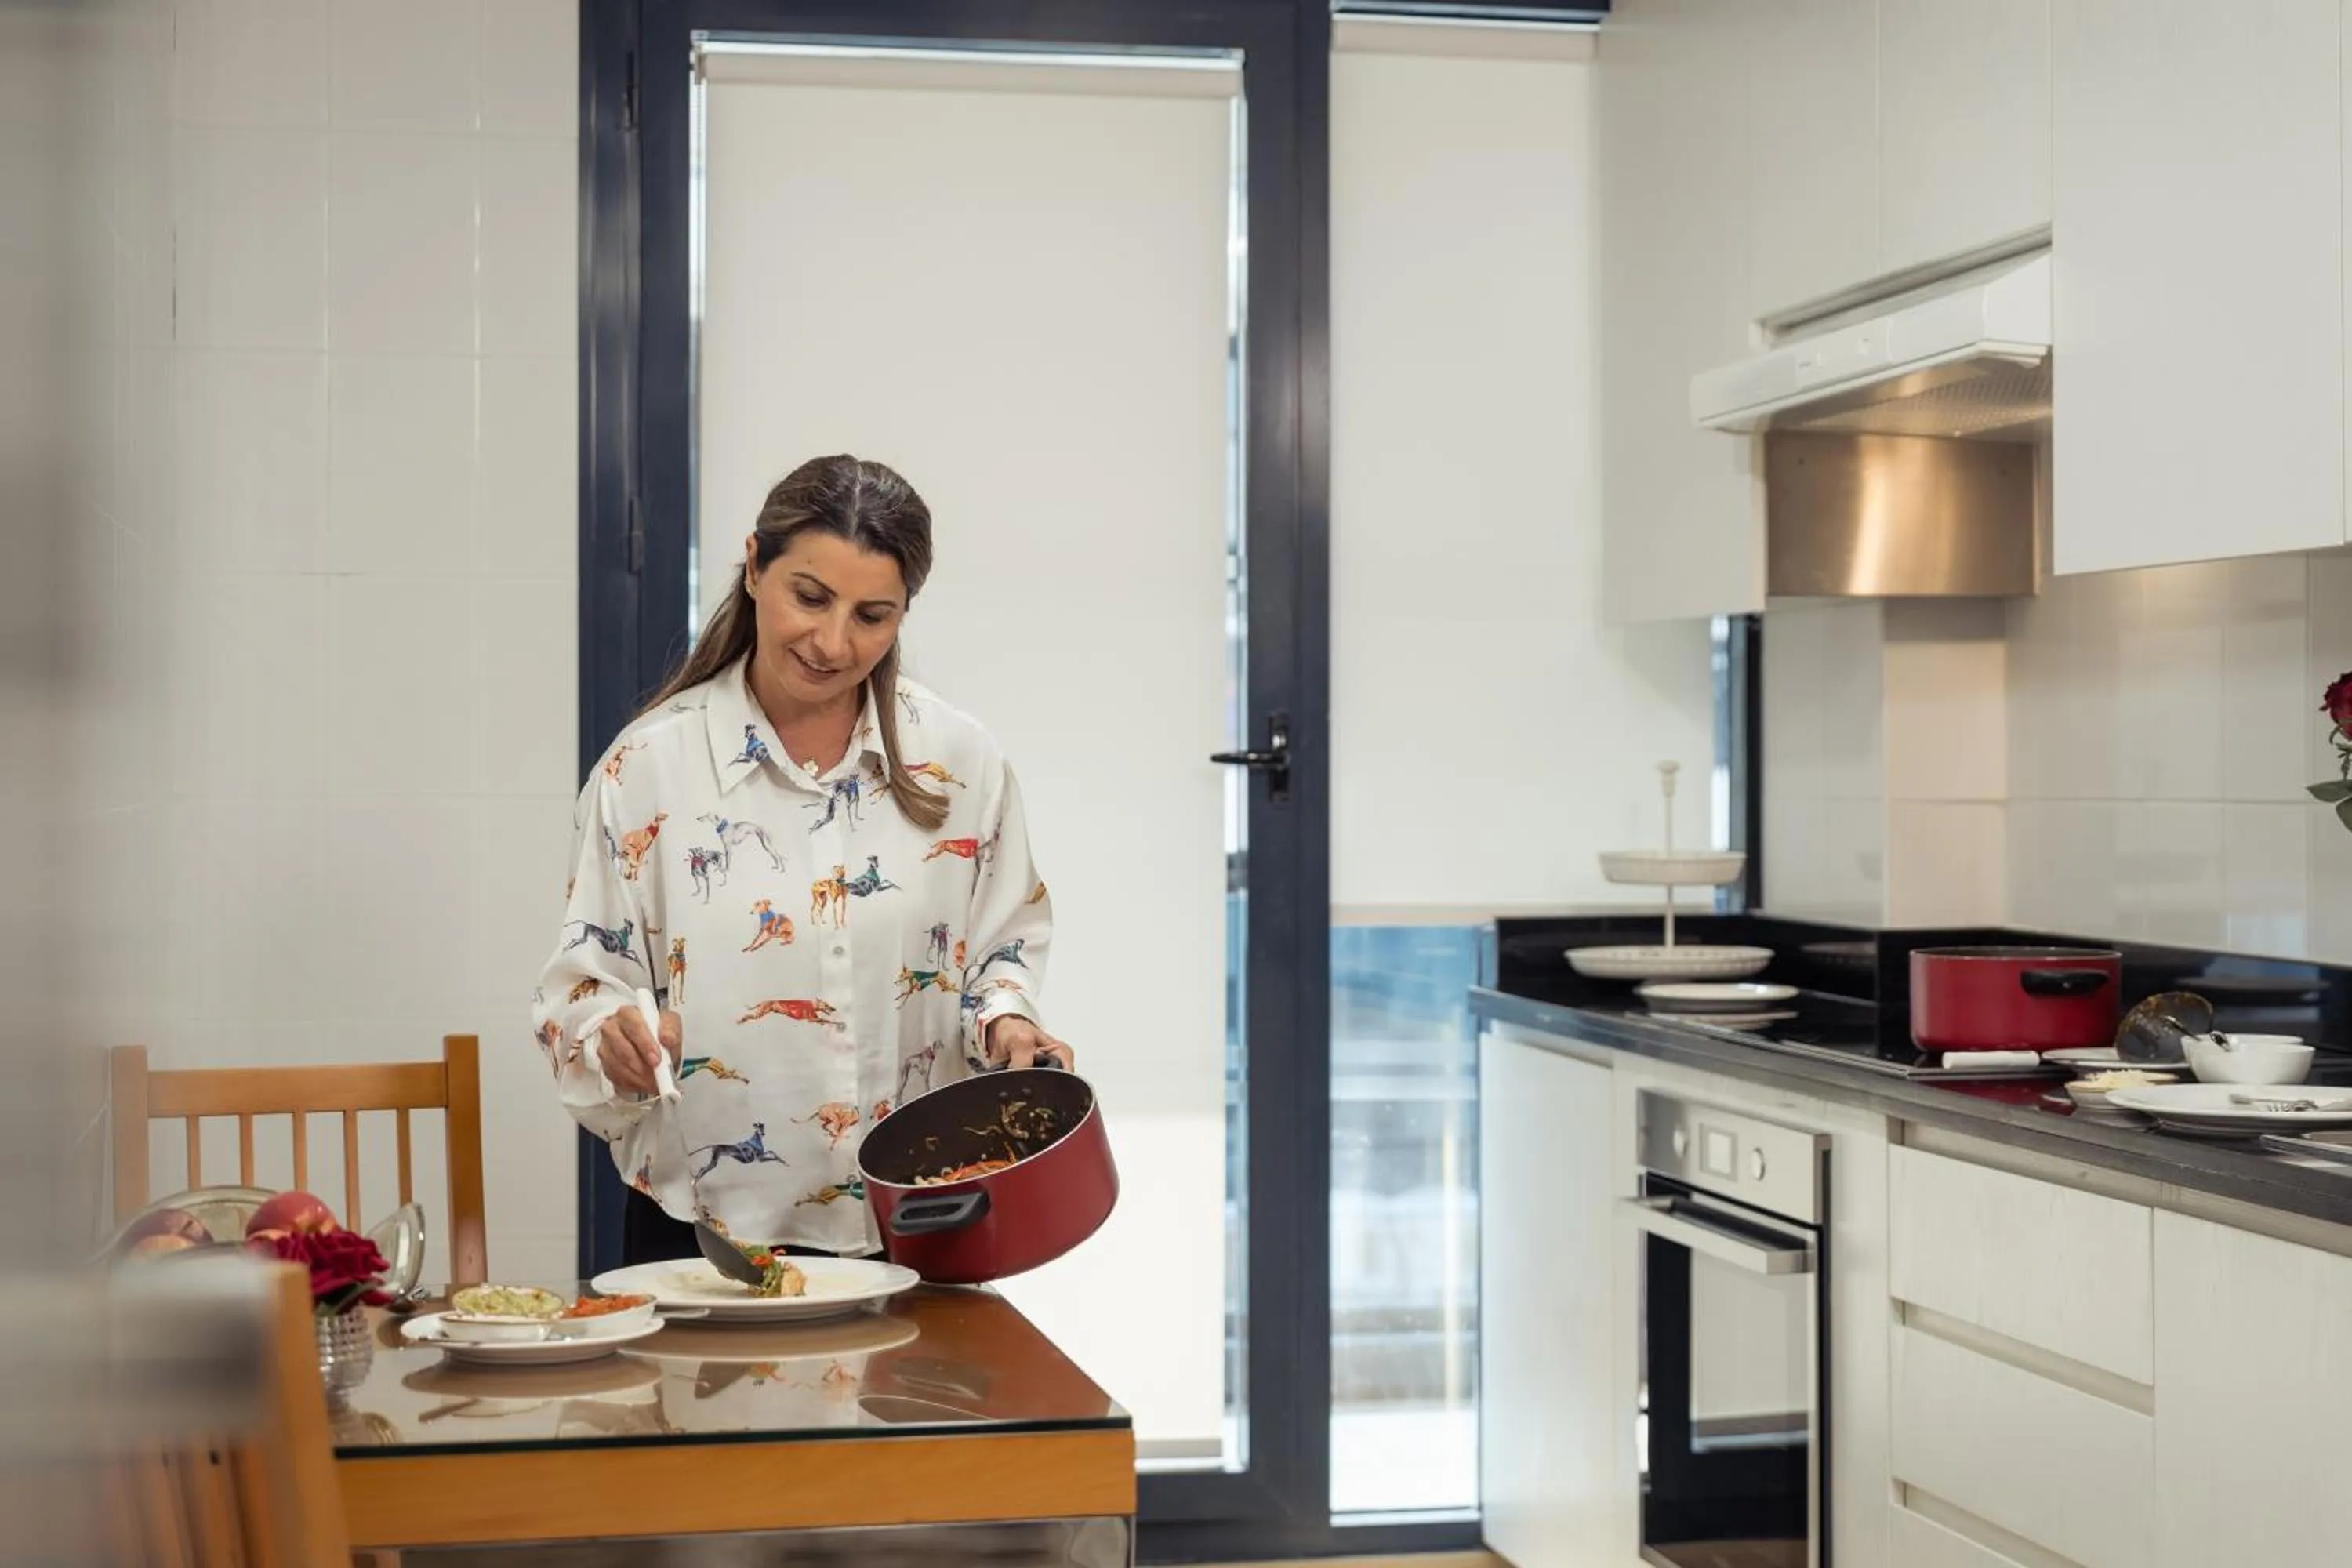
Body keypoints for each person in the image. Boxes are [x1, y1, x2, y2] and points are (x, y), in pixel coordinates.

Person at [532, 455, 1072, 1266]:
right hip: (704, 1236)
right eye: (810, 597)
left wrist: (1009, 1021)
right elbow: (581, 988)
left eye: (872, 615)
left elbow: (1001, 950)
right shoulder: (644, 770)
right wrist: (614, 1039)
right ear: (754, 566)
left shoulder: (961, 762)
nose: (832, 641)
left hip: (923, 1219)